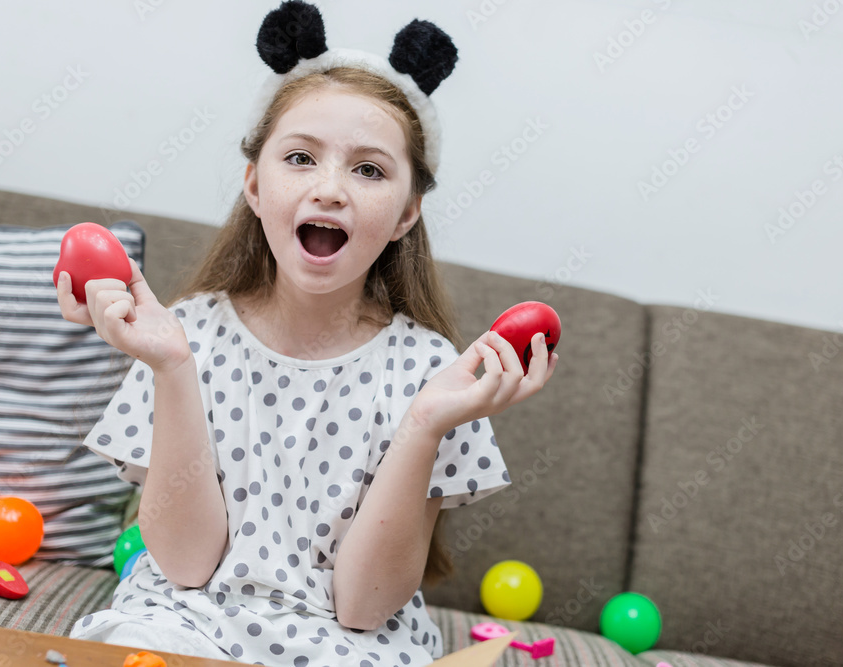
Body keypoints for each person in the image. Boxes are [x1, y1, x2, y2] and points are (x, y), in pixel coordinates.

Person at [58, 1, 558, 664]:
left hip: (348, 645)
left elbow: (363, 604)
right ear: (255, 186)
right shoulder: (187, 334)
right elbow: (184, 564)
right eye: (300, 157)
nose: (331, 189)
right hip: (186, 622)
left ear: (408, 212)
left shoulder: (430, 371)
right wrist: (174, 369)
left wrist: (425, 425)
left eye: (369, 169)